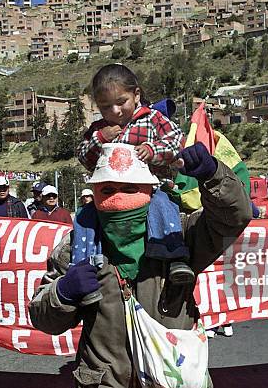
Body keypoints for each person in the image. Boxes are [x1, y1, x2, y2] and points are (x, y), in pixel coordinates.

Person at [29, 142, 252, 388]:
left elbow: (234, 217)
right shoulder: (75, 247)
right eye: (108, 190)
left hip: (170, 385)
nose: (118, 199)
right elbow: (42, 318)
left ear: (148, 190)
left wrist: (212, 174)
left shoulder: (176, 235)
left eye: (130, 189)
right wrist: (64, 292)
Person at [77, 64, 192, 284]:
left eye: (121, 102)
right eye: (105, 107)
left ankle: (175, 255)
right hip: (110, 196)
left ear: (136, 94)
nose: (115, 112)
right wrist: (99, 138)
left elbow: (178, 142)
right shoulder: (98, 129)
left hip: (151, 191)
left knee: (162, 204)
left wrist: (152, 150)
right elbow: (83, 157)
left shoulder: (153, 119)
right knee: (85, 216)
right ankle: (84, 264)